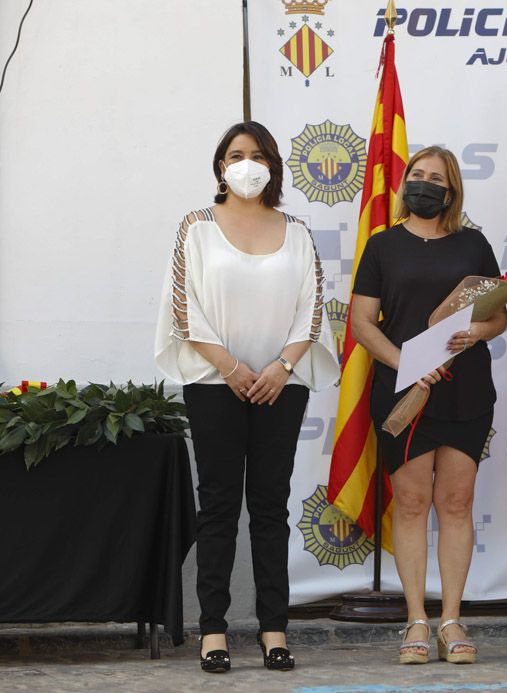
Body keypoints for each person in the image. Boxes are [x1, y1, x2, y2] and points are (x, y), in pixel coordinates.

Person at [154, 121, 338, 673]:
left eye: (258, 155)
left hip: (282, 385)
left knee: (269, 507)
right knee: (218, 508)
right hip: (215, 385)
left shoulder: (298, 230)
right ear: (220, 167)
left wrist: (282, 367)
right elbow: (186, 308)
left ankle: (273, 629)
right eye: (236, 155)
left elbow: (313, 306)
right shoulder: (197, 227)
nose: (247, 164)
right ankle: (213, 630)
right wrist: (232, 368)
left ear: (273, 166)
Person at [349, 146, 507, 665]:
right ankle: (416, 620)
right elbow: (362, 324)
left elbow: (498, 319)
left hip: (465, 391)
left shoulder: (474, 245)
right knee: (413, 505)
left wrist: (475, 331)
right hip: (403, 392)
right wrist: (407, 364)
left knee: (456, 504)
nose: (423, 184)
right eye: (416, 175)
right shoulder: (382, 246)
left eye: (435, 178)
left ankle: (452, 620)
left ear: (451, 190)